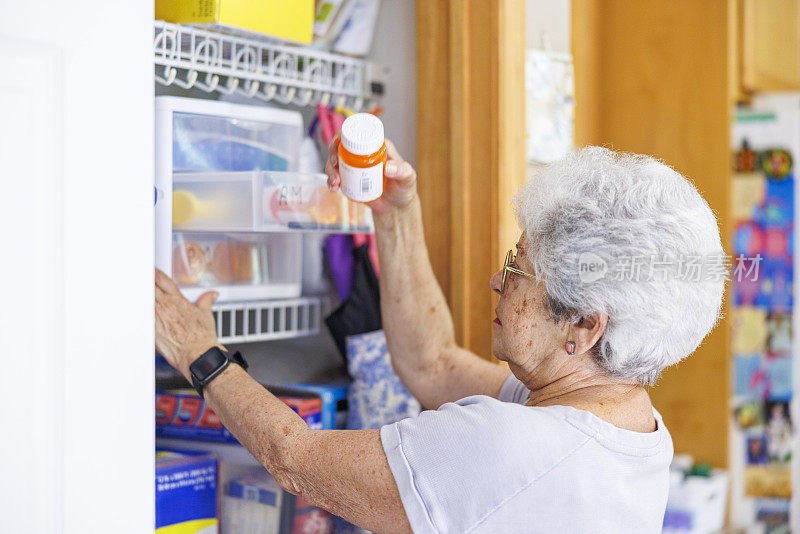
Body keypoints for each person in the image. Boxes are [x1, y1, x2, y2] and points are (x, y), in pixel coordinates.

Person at [155, 139, 725, 533]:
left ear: (583, 324)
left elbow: (298, 459)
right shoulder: (626, 421)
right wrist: (397, 213)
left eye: (519, 267)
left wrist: (198, 352)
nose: (497, 280)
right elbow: (431, 363)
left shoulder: (515, 446)